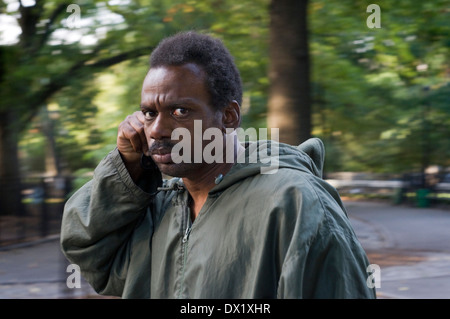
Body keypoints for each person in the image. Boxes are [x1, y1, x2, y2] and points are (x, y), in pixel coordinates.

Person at [60, 31, 376, 299]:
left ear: (228, 117)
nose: (156, 129)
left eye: (180, 111)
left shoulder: (295, 202)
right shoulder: (156, 203)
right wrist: (128, 169)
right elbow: (87, 252)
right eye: (149, 113)